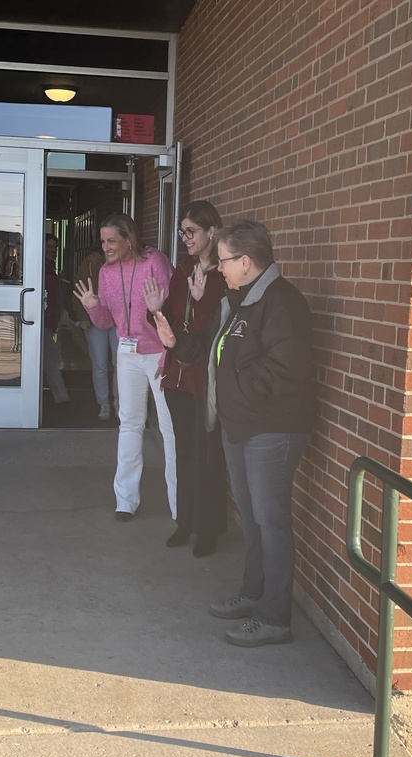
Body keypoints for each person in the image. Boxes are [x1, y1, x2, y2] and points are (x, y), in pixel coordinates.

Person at [154, 219, 314, 648]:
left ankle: (274, 617)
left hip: (271, 431)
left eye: (223, 260)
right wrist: (175, 343)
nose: (217, 268)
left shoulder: (282, 303)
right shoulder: (237, 300)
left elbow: (283, 370)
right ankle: (252, 593)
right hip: (238, 428)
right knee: (252, 517)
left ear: (246, 261)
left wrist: (233, 390)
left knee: (272, 521)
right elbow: (210, 348)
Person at [73, 213, 177, 523]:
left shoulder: (153, 261)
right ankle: (125, 500)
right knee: (129, 423)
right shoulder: (105, 273)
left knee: (169, 429)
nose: (106, 247)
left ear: (128, 239)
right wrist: (94, 308)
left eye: (112, 241)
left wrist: (167, 355)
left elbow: (172, 309)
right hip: (129, 353)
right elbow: (107, 322)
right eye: (103, 241)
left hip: (160, 352)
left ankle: (179, 506)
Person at [142, 201, 228, 557]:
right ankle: (186, 522)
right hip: (177, 376)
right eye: (182, 231)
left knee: (207, 455)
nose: (185, 237)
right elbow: (169, 327)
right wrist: (154, 311)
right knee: (183, 452)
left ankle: (210, 529)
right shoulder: (183, 270)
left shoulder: (226, 274)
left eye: (191, 231)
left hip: (205, 380)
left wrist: (202, 297)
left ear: (212, 232)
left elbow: (216, 329)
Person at [72, 245, 119, 420]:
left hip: (118, 319)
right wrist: (83, 315)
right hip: (94, 318)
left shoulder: (124, 260)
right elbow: (79, 289)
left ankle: (119, 401)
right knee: (100, 364)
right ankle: (104, 404)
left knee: (119, 362)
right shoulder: (90, 262)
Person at [43, 233, 70, 404]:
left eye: (55, 248)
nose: (53, 251)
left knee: (49, 360)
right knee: (51, 360)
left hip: (48, 322)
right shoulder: (40, 269)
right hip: (40, 322)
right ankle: (62, 399)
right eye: (49, 247)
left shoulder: (50, 268)